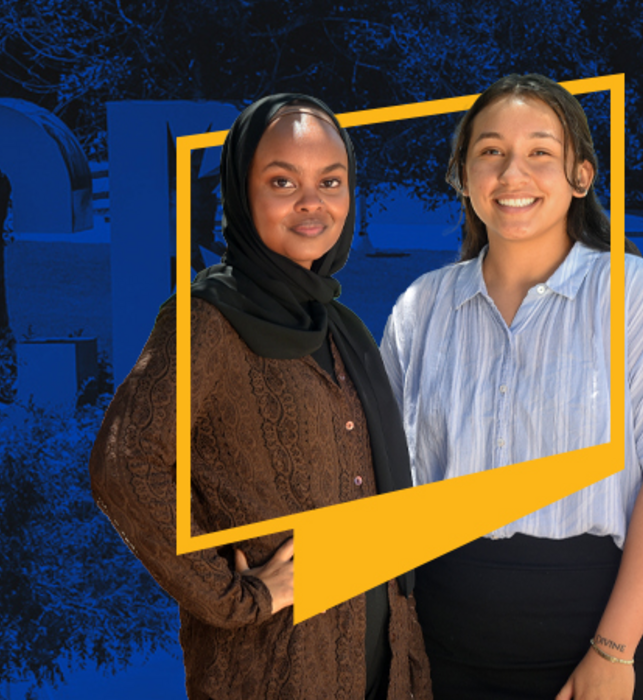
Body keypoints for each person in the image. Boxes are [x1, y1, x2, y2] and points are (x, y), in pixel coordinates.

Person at [88, 93, 432, 700]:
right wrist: (235, 596)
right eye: (282, 181)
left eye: (331, 180)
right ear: (242, 195)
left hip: (384, 666)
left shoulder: (340, 326)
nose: (312, 203)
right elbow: (124, 463)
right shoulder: (205, 322)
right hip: (275, 670)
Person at [380, 74, 643, 700]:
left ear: (580, 176)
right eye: (490, 152)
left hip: (602, 641)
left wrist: (613, 652)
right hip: (440, 647)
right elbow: (377, 478)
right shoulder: (418, 310)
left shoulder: (634, 296)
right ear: (461, 175)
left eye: (539, 151)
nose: (513, 173)